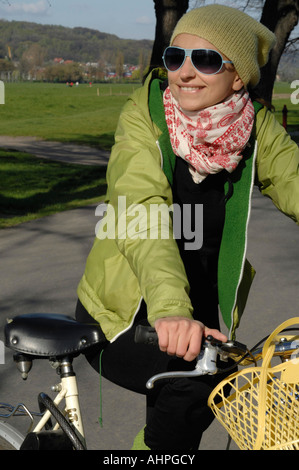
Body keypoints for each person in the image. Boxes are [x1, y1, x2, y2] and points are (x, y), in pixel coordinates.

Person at [76, 4, 299, 449]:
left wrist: (186, 315)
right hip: (128, 312)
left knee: (206, 404)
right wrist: (171, 311)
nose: (185, 72)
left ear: (238, 78)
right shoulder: (144, 118)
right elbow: (141, 214)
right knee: (198, 387)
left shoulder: (255, 128)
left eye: (207, 60)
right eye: (176, 57)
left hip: (198, 316)